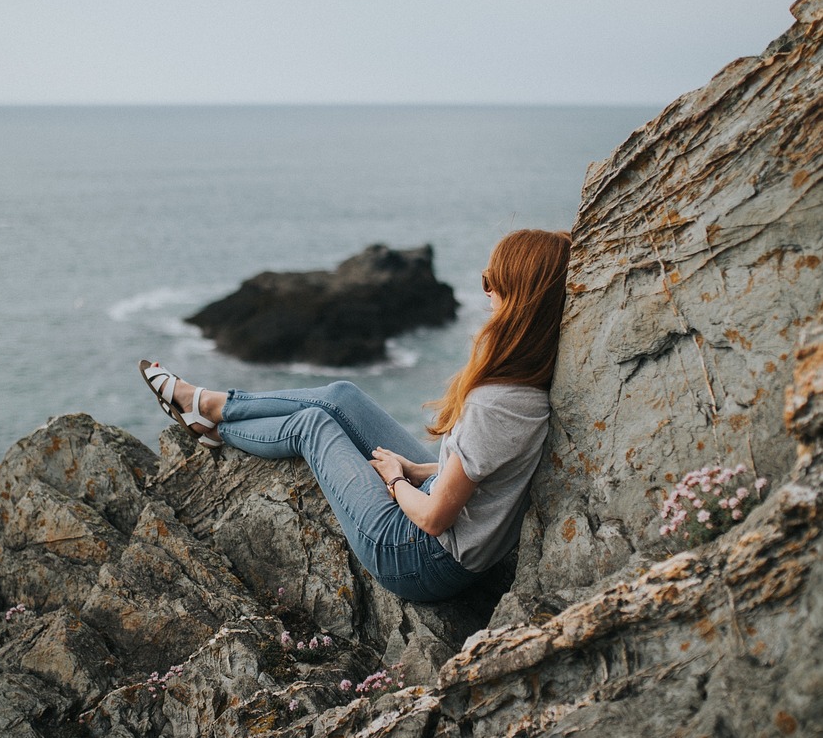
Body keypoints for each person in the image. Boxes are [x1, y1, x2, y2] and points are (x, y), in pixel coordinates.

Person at [139, 228, 571, 603]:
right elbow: (476, 476)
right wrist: (416, 470)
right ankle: (211, 403)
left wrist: (395, 480)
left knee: (313, 426)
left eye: (490, 280)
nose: (484, 289)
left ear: (518, 297)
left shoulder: (496, 404)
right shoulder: (528, 381)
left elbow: (435, 518)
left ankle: (212, 423)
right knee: (341, 395)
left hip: (417, 556)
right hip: (442, 521)